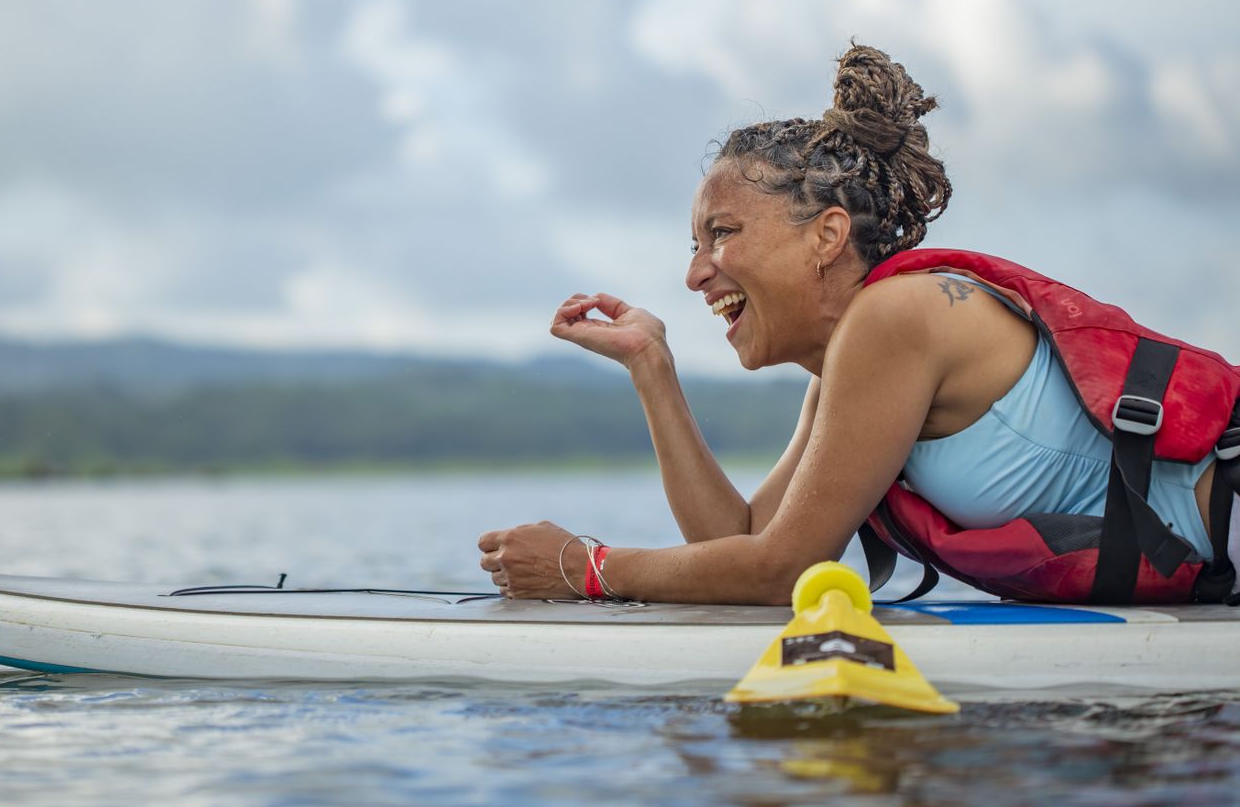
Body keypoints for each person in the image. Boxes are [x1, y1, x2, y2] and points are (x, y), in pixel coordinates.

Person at [477, 44, 1235, 604]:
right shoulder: (851, 370)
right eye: (694, 244)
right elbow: (738, 546)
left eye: (722, 233)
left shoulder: (894, 319)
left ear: (826, 235)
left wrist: (586, 565)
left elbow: (782, 572)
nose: (696, 271)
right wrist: (652, 368)